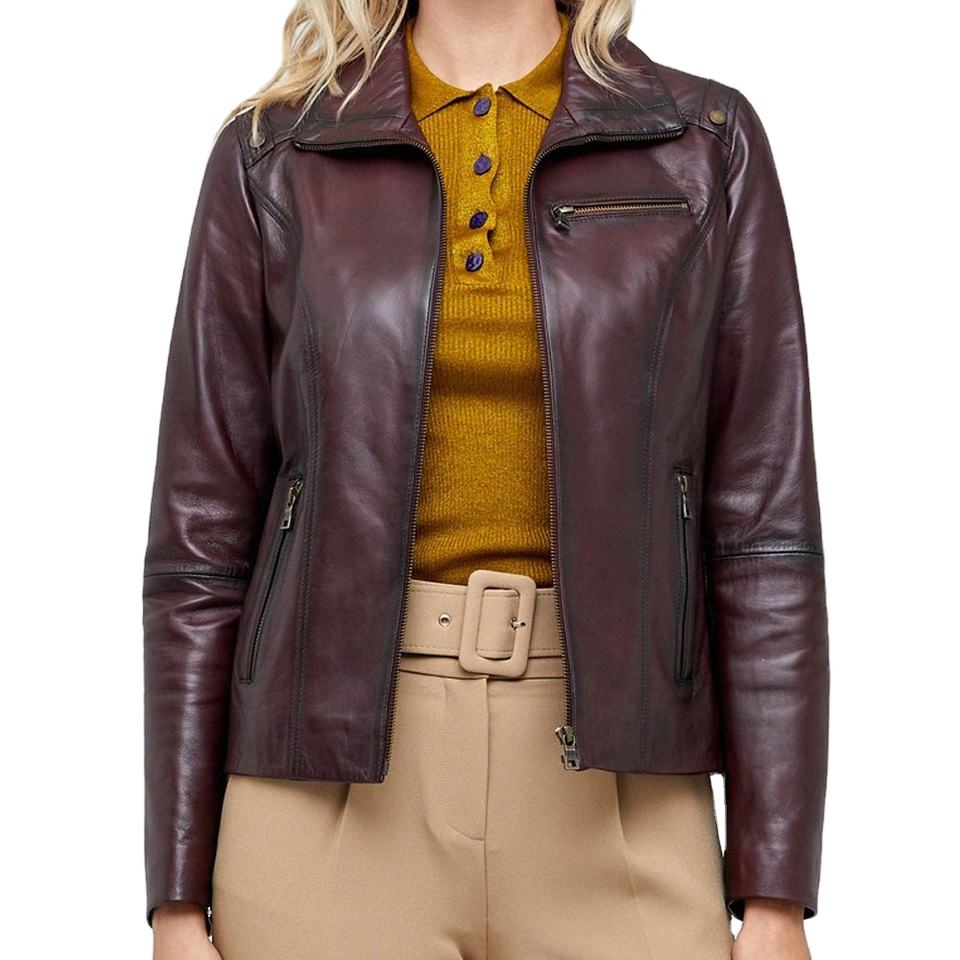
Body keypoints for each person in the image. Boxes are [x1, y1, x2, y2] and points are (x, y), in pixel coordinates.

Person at [143, 1, 829, 958]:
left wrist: (776, 891)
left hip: (623, 797)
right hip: (321, 798)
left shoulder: (702, 143)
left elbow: (764, 537)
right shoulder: (276, 153)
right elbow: (200, 544)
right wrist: (175, 900)